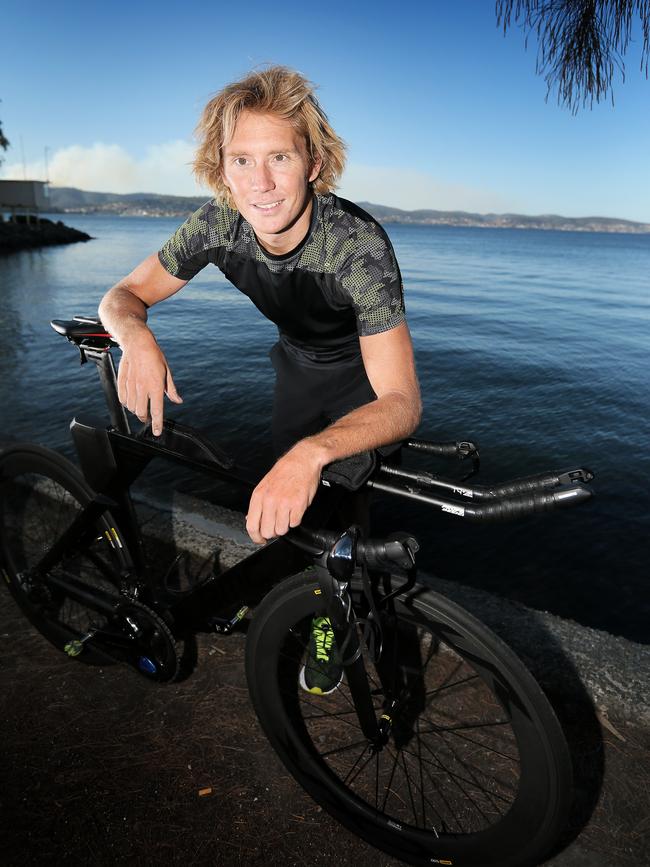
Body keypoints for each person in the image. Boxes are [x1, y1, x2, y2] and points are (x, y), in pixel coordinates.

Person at [98, 66, 421, 551]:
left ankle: (335, 617)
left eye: (279, 157)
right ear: (223, 171)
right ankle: (290, 602)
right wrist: (135, 337)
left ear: (312, 164)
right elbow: (122, 296)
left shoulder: (356, 246)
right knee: (287, 513)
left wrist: (315, 451)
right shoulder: (218, 225)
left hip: (362, 376)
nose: (261, 183)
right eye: (242, 161)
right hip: (296, 371)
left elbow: (402, 401)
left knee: (348, 516)